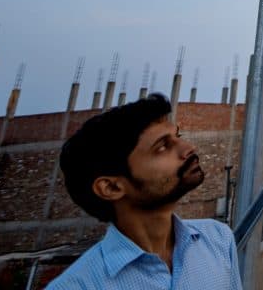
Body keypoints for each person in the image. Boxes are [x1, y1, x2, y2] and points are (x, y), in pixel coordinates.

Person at [50, 94, 241, 289]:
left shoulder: (217, 238)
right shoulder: (77, 285)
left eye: (178, 136)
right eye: (162, 146)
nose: (188, 148)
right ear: (111, 187)